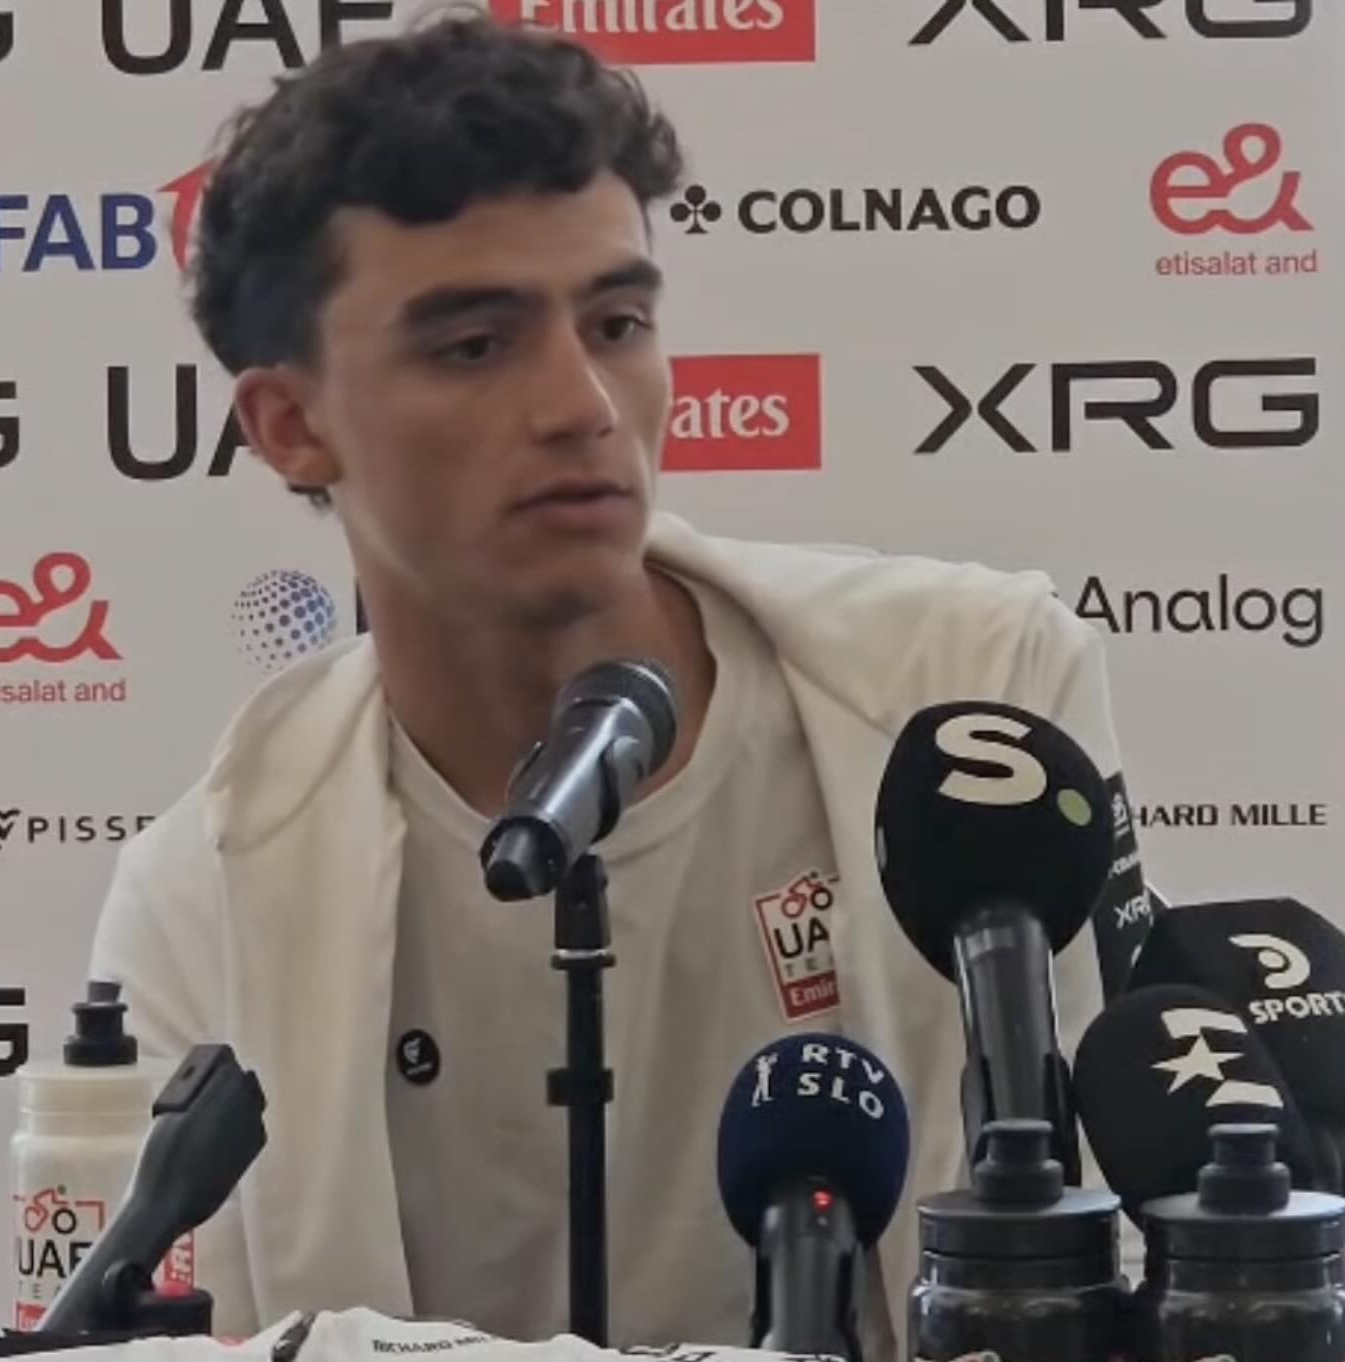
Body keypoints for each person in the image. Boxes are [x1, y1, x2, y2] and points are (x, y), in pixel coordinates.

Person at [90, 6, 1134, 1354]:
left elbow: (1104, 1263)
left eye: (619, 321)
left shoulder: (973, 693)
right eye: (475, 345)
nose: (582, 404)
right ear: (292, 425)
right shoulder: (209, 889)